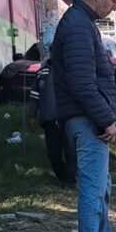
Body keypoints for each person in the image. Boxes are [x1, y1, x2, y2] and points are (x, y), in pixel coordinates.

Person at [51, 0, 116, 232]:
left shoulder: (81, 23)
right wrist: (105, 119)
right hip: (87, 120)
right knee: (93, 191)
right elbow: (82, 84)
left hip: (86, 117)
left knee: (101, 190)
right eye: (113, 1)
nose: (114, 8)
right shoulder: (79, 27)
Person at [29, 60, 76, 188]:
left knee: (71, 152)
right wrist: (32, 116)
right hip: (49, 120)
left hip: (68, 118)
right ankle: (62, 176)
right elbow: (34, 97)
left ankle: (70, 179)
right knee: (54, 153)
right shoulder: (42, 72)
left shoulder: (69, 69)